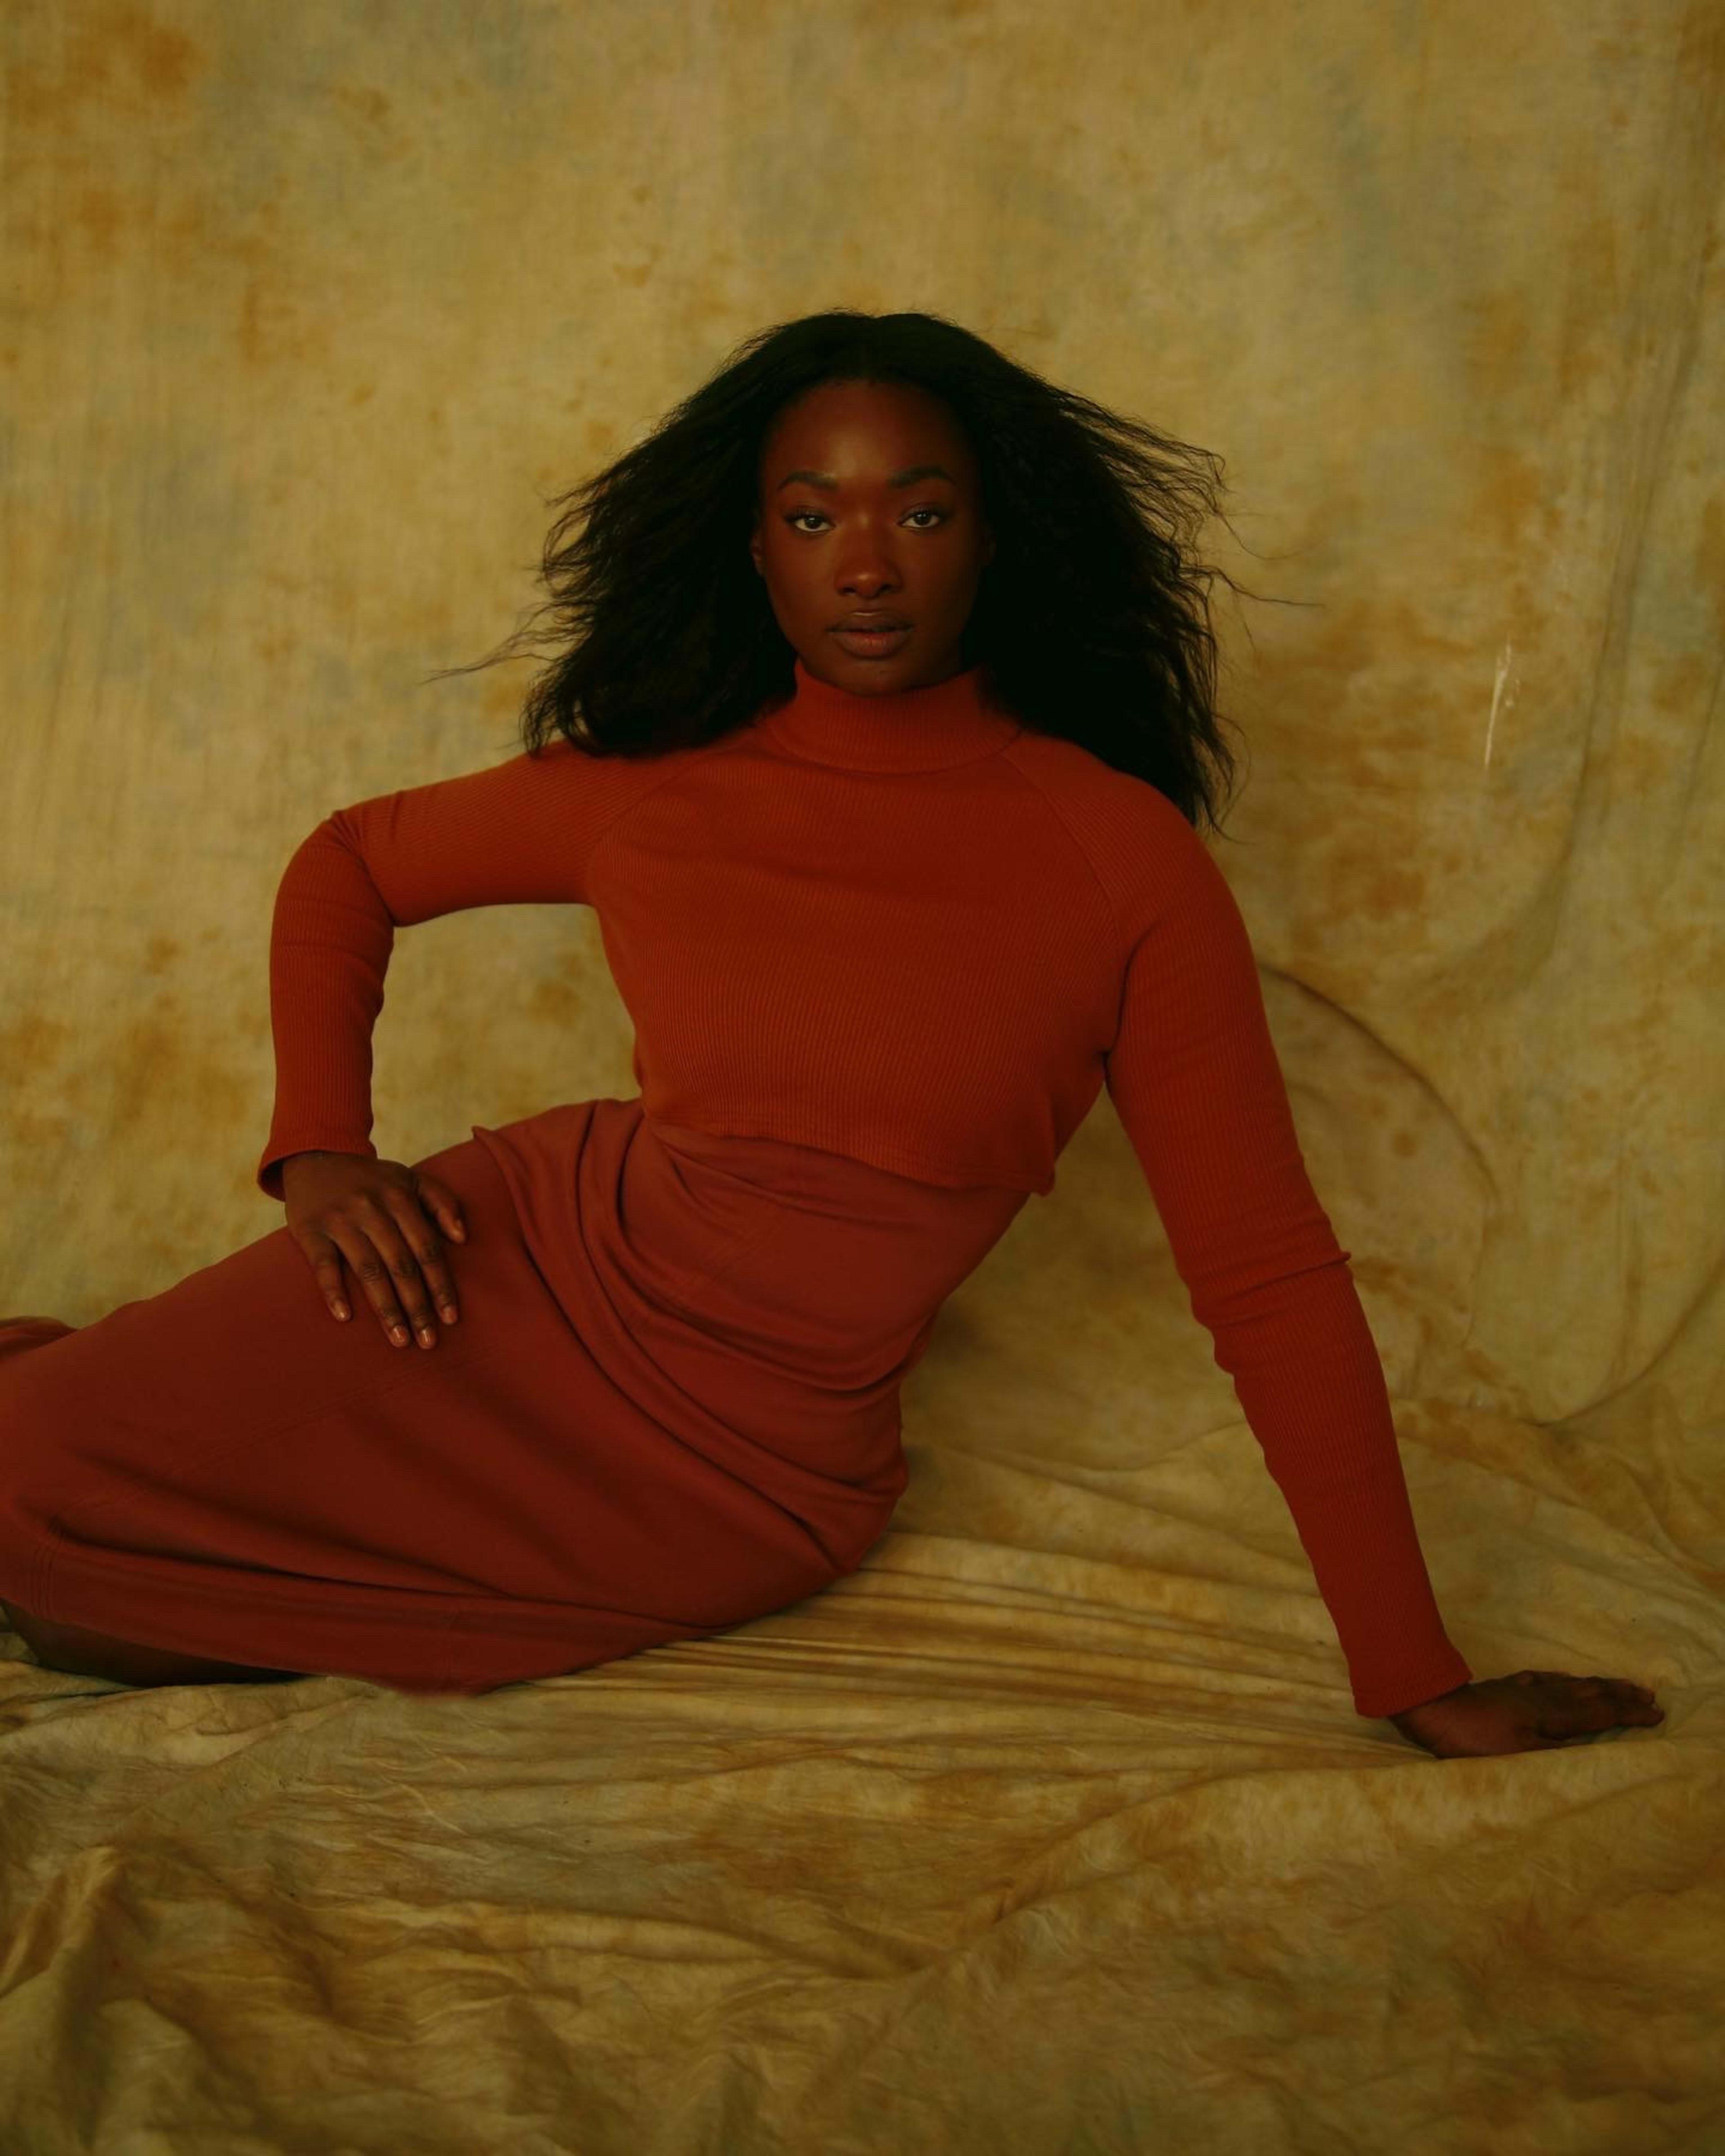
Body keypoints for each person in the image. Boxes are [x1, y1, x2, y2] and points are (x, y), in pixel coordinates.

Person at [1, 308, 1664, 1759]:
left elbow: (1270, 1279)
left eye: (920, 511)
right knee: (34, 1492)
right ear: (756, 550)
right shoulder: (663, 790)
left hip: (740, 1486)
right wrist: (321, 1146)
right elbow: (350, 862)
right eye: (813, 516)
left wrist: (1412, 1675)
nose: (865, 565)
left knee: (96, 1605)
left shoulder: (1116, 858)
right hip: (499, 1269)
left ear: (994, 537)